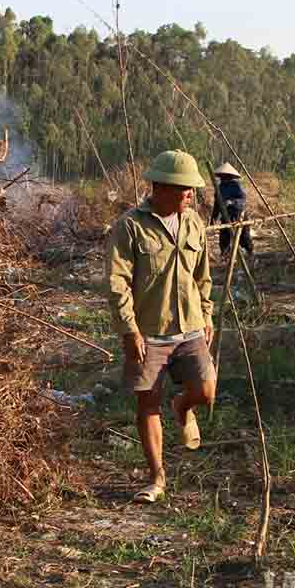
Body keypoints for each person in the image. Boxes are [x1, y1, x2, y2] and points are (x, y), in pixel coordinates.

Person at [106, 150, 216, 503]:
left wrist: (208, 314)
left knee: (206, 392)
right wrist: (129, 330)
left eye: (191, 190)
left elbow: (203, 276)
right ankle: (157, 478)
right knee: (147, 404)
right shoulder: (130, 226)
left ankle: (183, 407)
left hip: (191, 328)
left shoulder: (194, 223)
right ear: (160, 187)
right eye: (184, 188)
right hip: (149, 333)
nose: (190, 195)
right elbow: (117, 282)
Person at [211, 162, 252, 260]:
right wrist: (213, 218)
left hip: (238, 214)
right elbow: (217, 204)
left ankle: (249, 252)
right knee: (224, 236)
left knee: (243, 236)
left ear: (229, 176)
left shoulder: (236, 185)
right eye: (222, 176)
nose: (222, 178)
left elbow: (243, 199)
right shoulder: (219, 187)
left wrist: (232, 202)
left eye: (225, 176)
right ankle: (225, 254)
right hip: (226, 215)